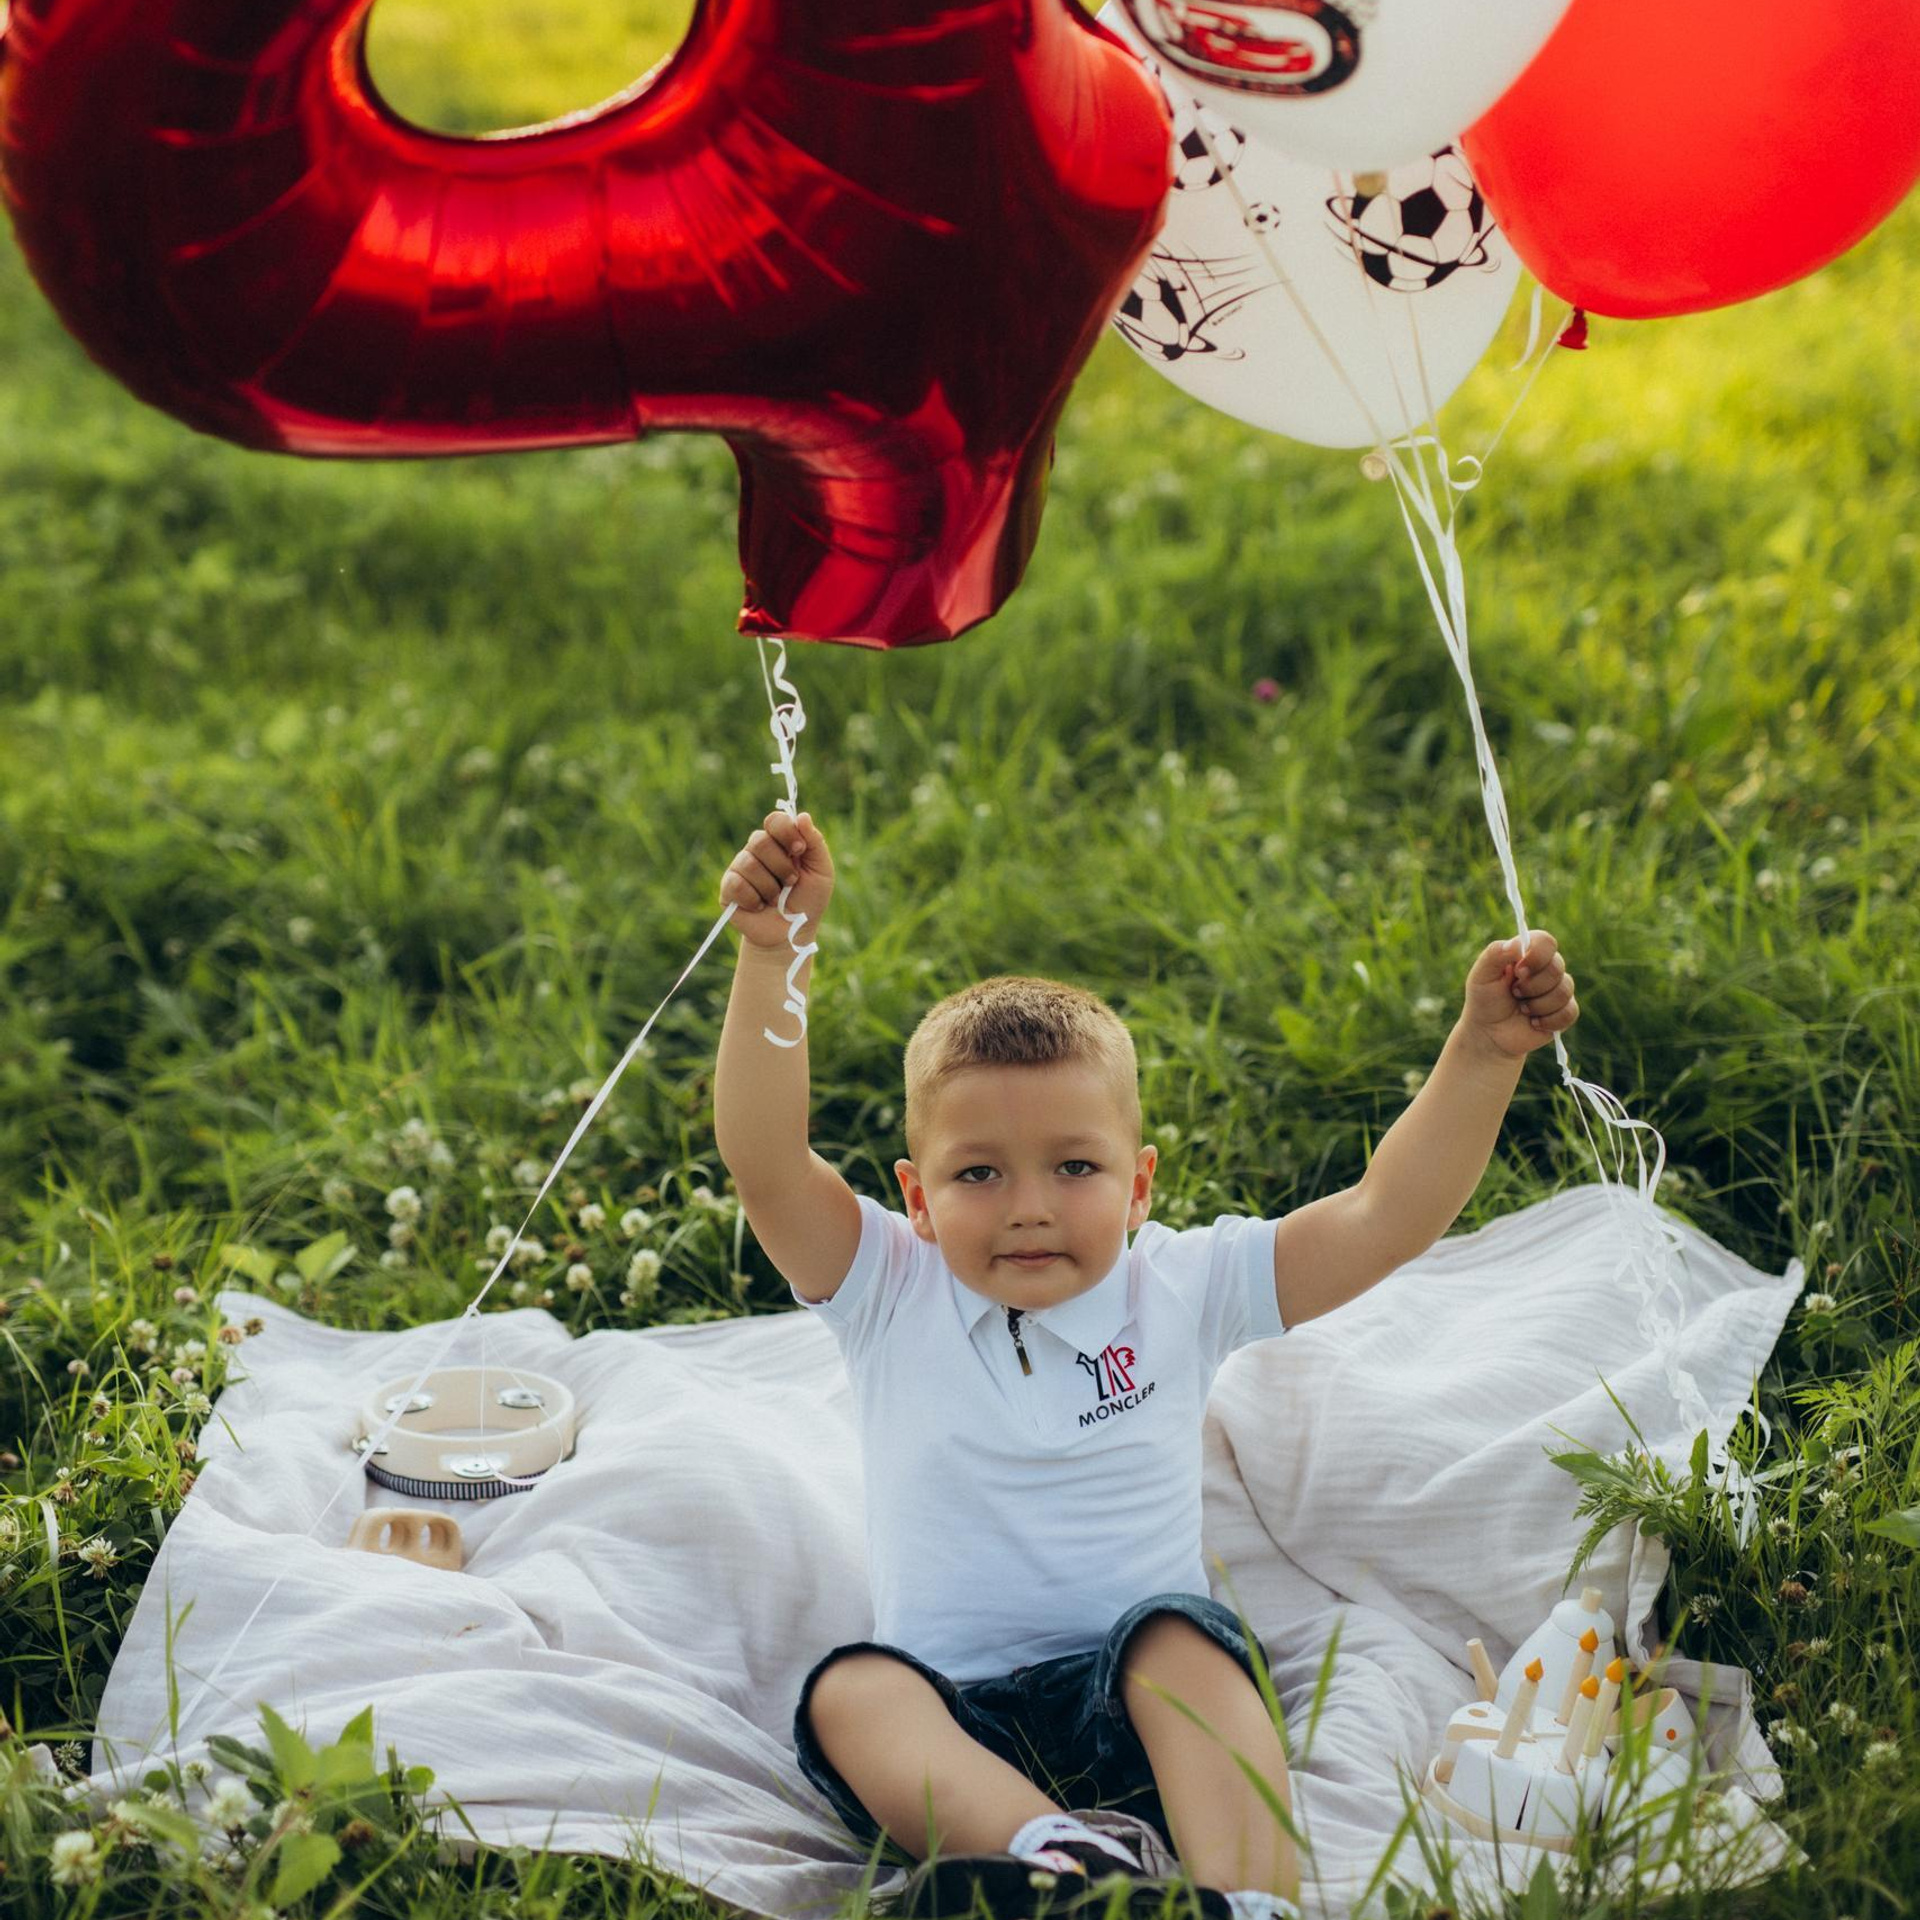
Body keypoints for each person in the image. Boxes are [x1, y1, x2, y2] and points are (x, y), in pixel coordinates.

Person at [714, 808, 1580, 1920]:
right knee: (850, 1691)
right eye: (978, 1175)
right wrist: (772, 954)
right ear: (918, 1199)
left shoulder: (1179, 1286)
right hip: (959, 1722)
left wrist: (1483, 1052)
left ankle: (1245, 1903)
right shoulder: (888, 1289)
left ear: (1139, 1185)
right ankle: (1061, 1863)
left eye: (1074, 1166)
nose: (1029, 1208)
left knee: (1184, 1638)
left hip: (1147, 1702)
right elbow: (766, 1156)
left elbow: (1380, 1217)